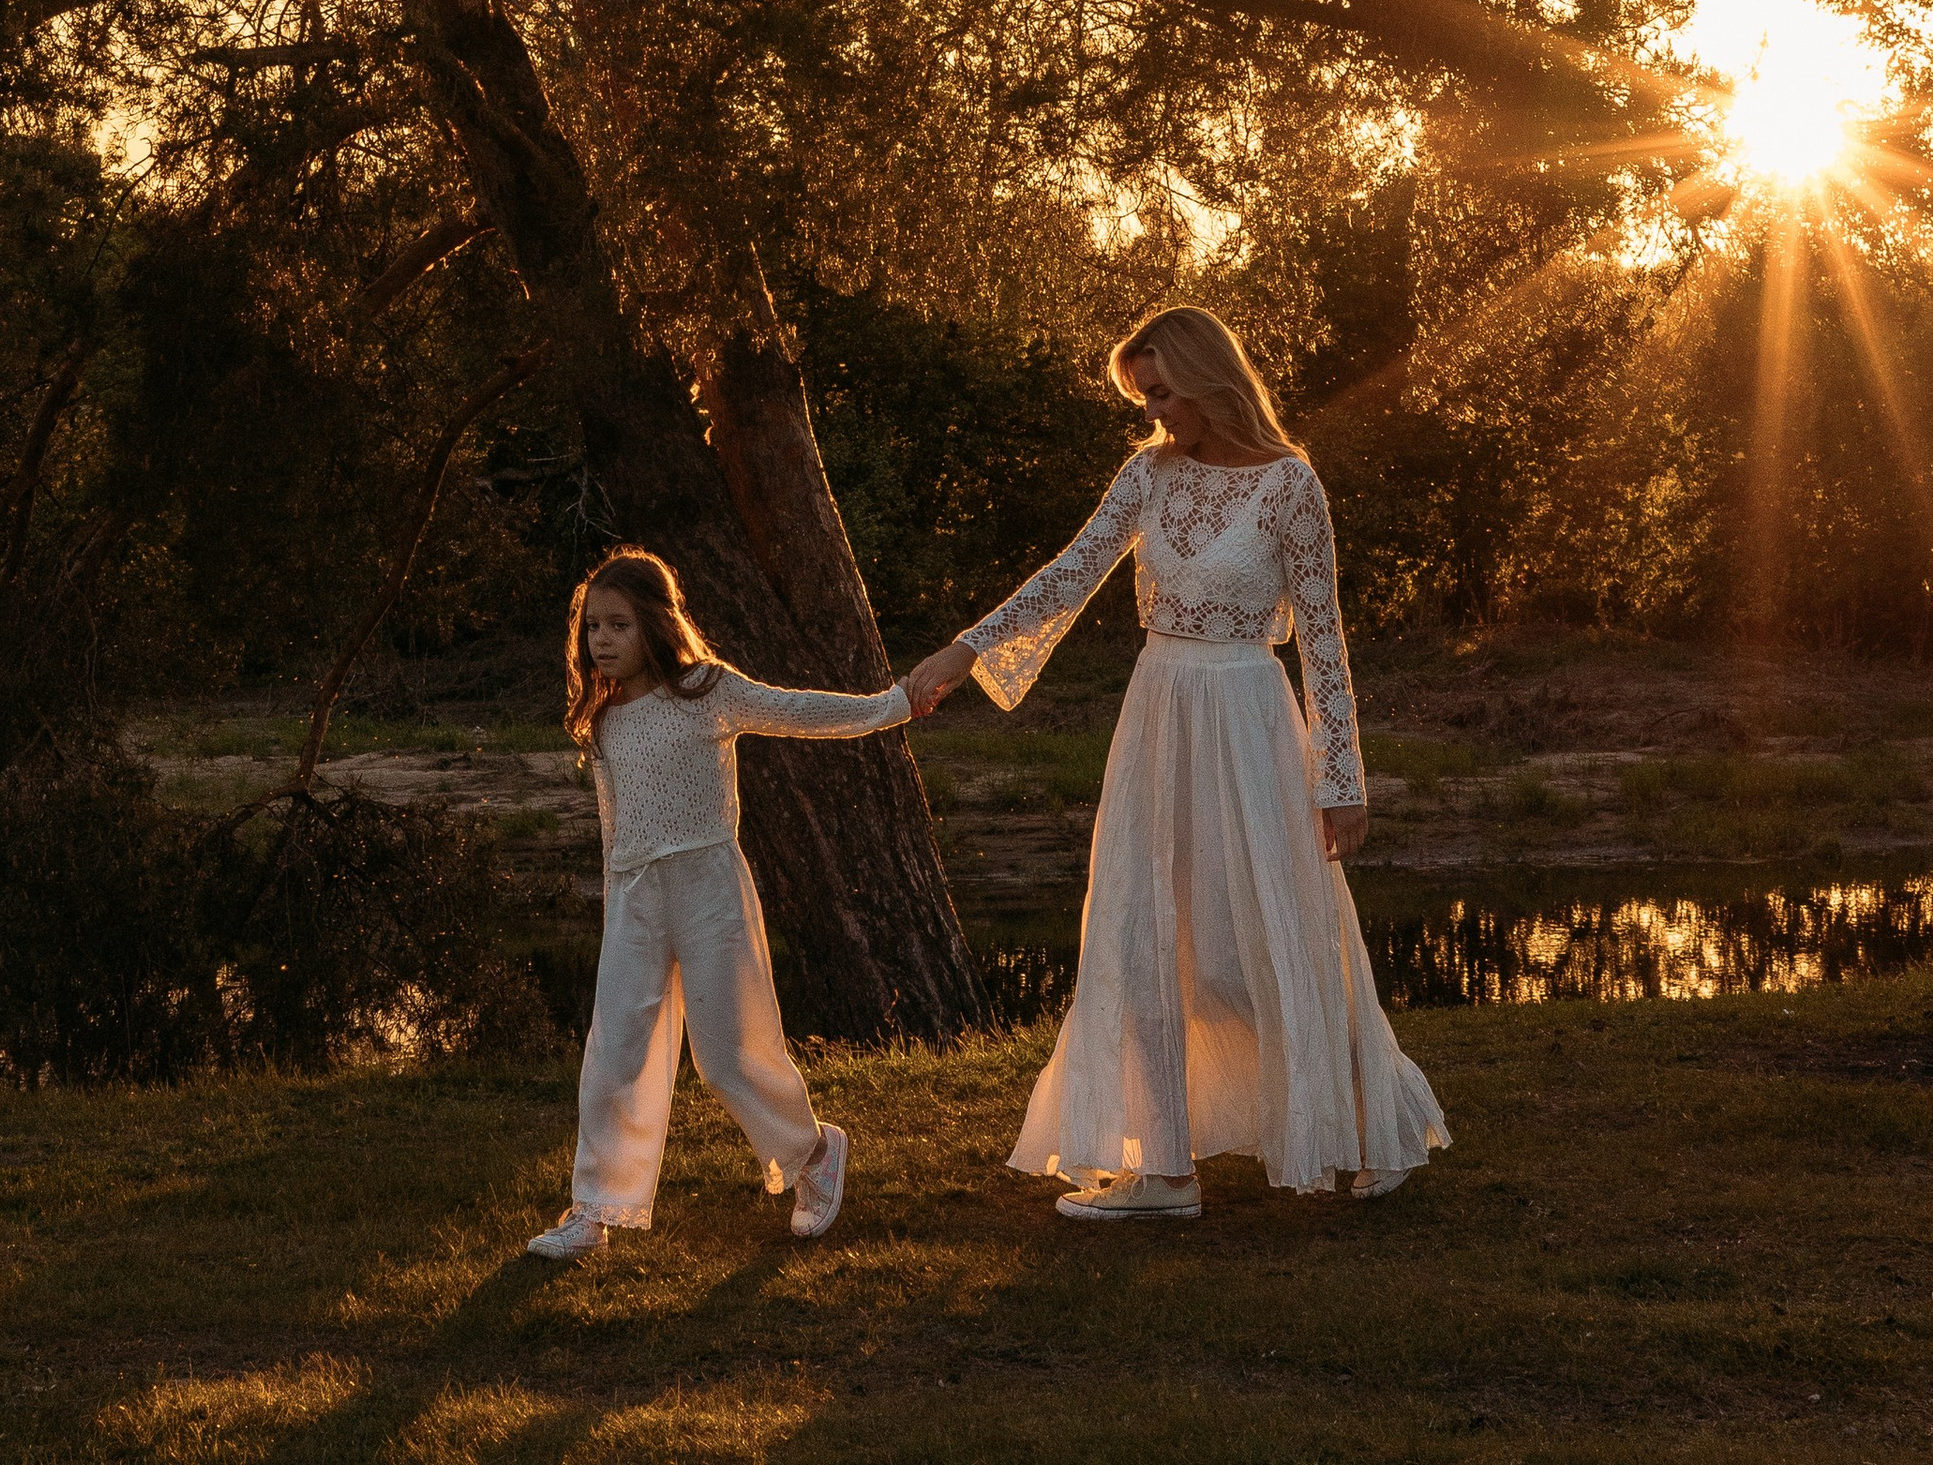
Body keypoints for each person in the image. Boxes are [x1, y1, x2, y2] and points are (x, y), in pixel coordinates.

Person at [906, 307, 1447, 1219]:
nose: (1154, 413)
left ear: (1206, 378)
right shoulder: (1146, 476)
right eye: (1142, 396)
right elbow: (1070, 571)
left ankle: (1366, 1123)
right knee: (1142, 925)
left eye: (1161, 393)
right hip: (1159, 712)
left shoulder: (1289, 485)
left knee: (1287, 923)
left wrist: (1342, 778)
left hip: (1251, 717)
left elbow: (1323, 640)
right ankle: (1165, 1171)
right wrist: (965, 651)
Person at [527, 548, 914, 1262]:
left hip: (708, 887)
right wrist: (619, 906)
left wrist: (894, 705)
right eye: (591, 630)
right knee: (615, 1052)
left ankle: (813, 1155)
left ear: (655, 623)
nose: (602, 642)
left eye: (617, 625)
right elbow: (615, 830)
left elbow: (797, 711)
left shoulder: (707, 691)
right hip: (636, 895)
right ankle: (595, 1209)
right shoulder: (603, 720)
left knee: (730, 1055)